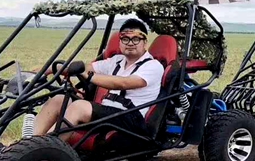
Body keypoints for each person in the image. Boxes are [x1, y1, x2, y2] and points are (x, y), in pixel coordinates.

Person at [33, 19, 165, 139]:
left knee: (79, 107)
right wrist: (48, 69)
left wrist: (89, 76)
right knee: (59, 100)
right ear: (120, 42)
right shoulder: (116, 61)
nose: (130, 43)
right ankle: (31, 143)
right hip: (107, 112)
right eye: (125, 39)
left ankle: (46, 149)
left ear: (145, 42)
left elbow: (124, 83)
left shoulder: (153, 66)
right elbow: (86, 67)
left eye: (136, 39)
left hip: (131, 118)